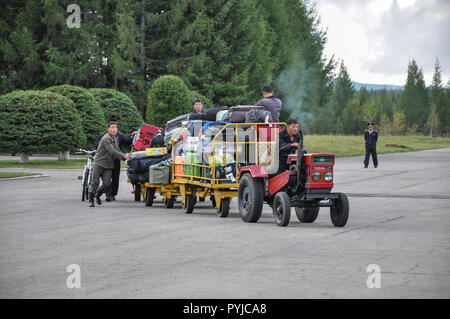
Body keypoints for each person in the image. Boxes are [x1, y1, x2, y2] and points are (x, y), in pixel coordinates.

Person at [88, 121, 130, 207]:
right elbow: (112, 151)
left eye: (115, 127)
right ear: (108, 129)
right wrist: (124, 156)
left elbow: (117, 150)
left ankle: (98, 195)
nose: (114, 129)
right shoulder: (106, 138)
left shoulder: (116, 139)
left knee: (107, 184)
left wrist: (125, 156)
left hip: (108, 165)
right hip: (99, 163)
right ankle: (91, 200)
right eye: (112, 127)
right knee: (95, 183)